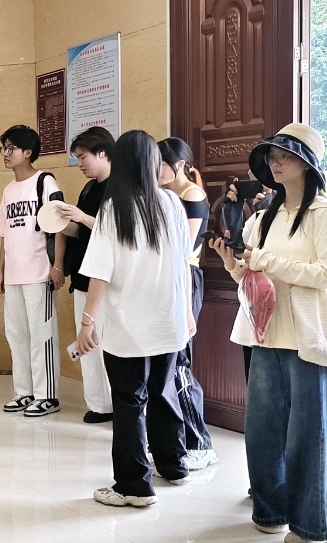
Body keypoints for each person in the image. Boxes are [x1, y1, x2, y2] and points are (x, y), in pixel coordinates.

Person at [210, 123, 327, 543]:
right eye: (272, 156)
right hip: (265, 334)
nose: (276, 162)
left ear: (308, 164)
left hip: (307, 336)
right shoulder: (263, 216)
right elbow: (252, 277)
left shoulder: (323, 213)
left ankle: (312, 524)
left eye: (285, 156)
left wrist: (267, 261)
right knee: (263, 429)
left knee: (310, 432)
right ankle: (270, 510)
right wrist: (232, 264)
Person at [73, 129, 193, 506]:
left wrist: (87, 323)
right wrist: (186, 311)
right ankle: (174, 466)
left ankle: (133, 486)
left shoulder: (115, 208)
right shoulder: (171, 203)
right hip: (167, 320)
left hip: (128, 327)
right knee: (163, 391)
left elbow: (100, 273)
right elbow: (184, 263)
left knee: (129, 402)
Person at [0, 124, 66, 417]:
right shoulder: (8, 190)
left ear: (28, 152)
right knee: (17, 334)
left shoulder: (45, 182)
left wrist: (58, 265)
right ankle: (24, 391)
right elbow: (4, 234)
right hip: (14, 274)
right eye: (4, 148)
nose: (6, 153)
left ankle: (47, 395)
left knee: (42, 335)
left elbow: (60, 226)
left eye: (11, 148)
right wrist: (0, 271)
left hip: (40, 272)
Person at [158, 137, 218, 470]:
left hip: (184, 278)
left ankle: (200, 443)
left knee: (180, 362)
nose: (155, 171)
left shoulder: (191, 195)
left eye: (161, 164)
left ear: (179, 164)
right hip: (167, 278)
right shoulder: (165, 195)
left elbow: (183, 247)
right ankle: (174, 439)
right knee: (167, 362)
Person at [55, 127, 115, 424]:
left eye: (83, 157)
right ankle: (98, 404)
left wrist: (82, 217)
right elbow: (79, 231)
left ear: (102, 153)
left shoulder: (120, 188)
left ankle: (119, 404)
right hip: (82, 273)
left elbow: (116, 232)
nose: (79, 163)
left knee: (108, 344)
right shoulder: (89, 188)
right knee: (86, 343)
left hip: (107, 280)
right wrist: (59, 221)